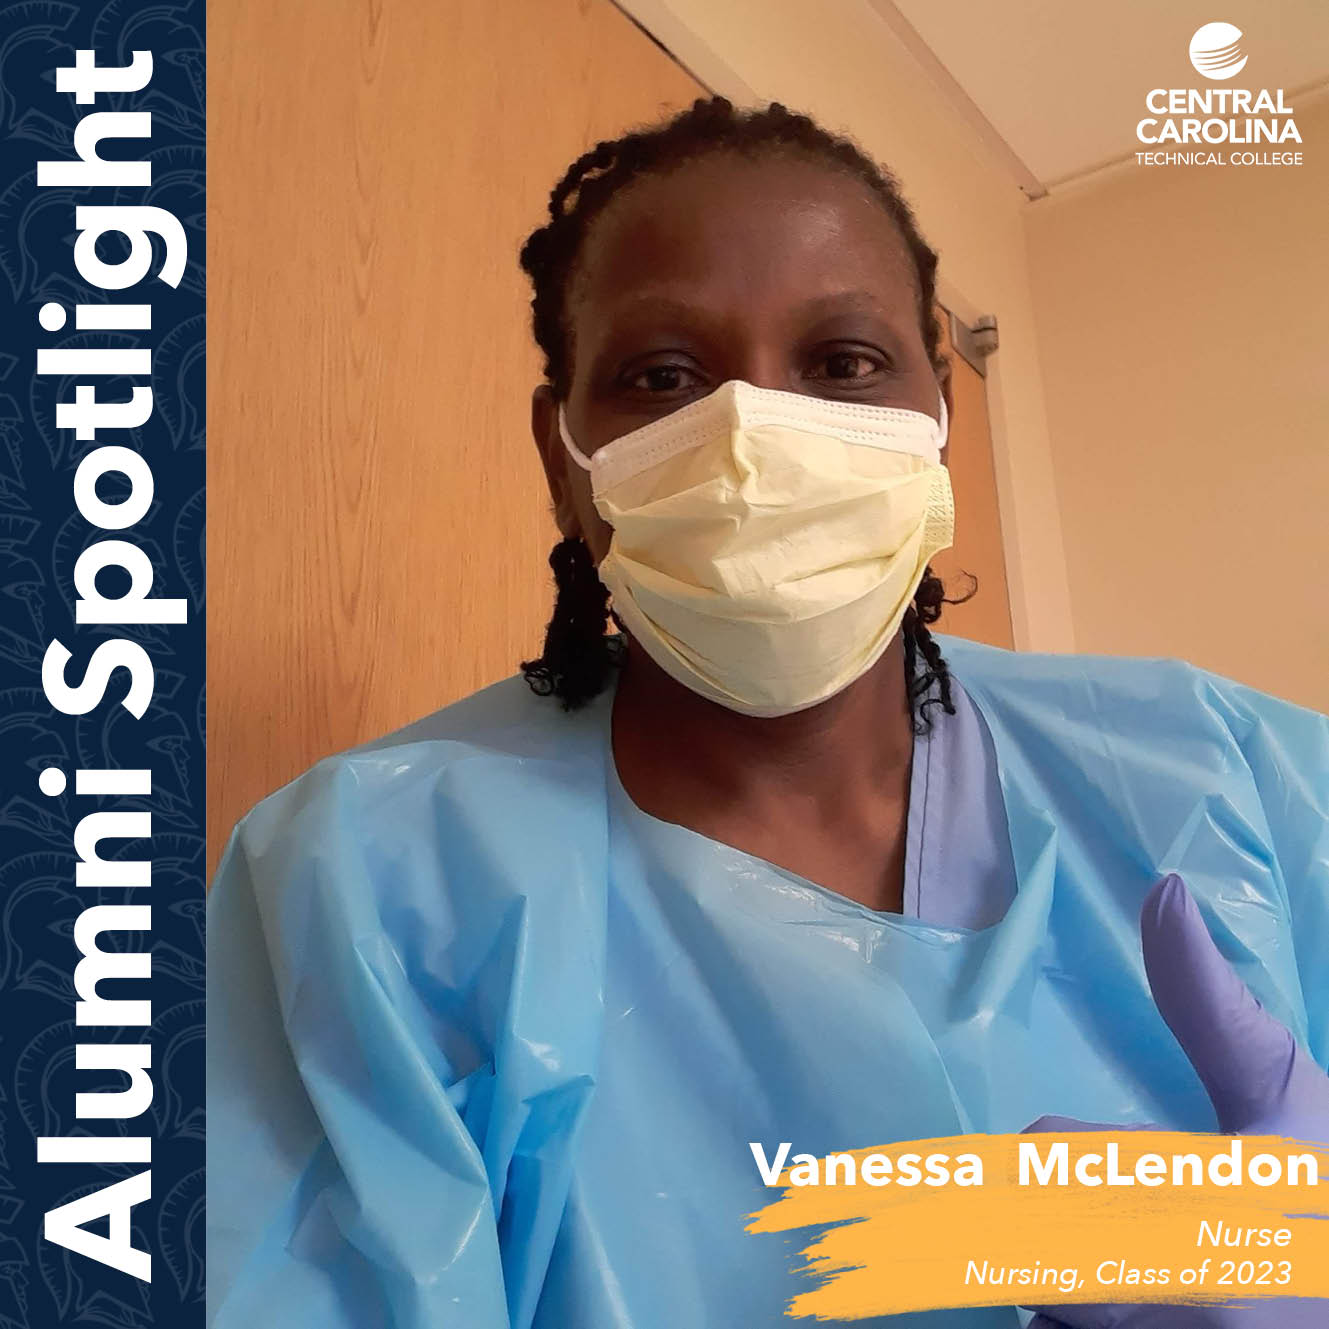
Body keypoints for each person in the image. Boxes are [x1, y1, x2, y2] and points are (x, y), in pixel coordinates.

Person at [206, 98, 1329, 1327]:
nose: (754, 442)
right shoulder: (369, 885)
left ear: (937, 416)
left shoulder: (1230, 777)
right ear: (562, 457)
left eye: (843, 363)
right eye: (664, 378)